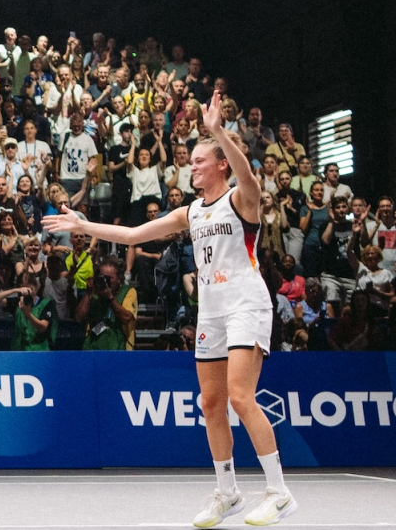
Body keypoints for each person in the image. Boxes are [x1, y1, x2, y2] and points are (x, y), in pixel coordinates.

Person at [43, 92, 297, 527]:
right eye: (192, 161)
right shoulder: (191, 213)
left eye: (200, 160)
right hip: (211, 310)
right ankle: (227, 492)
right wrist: (85, 226)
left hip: (246, 305)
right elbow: (134, 235)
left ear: (221, 165)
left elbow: (249, 176)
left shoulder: (241, 201)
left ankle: (279, 491)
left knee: (240, 396)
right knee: (211, 403)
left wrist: (217, 130)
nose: (192, 166)